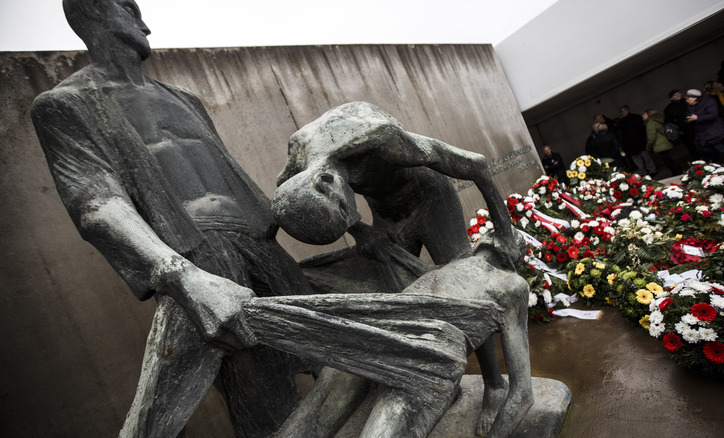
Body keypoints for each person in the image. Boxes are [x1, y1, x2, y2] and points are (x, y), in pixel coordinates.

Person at [30, 0, 317, 435]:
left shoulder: (184, 99)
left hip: (261, 243)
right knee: (260, 394)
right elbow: (95, 203)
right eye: (128, 7)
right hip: (197, 254)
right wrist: (184, 278)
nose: (143, 22)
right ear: (92, 12)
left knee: (335, 360)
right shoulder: (67, 105)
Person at [273, 101, 520, 435]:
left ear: (327, 181)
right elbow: (278, 198)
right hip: (386, 214)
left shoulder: (378, 138)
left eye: (348, 210)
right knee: (398, 299)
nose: (350, 216)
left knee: (465, 292)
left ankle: (495, 383)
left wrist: (504, 231)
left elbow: (474, 164)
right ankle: (438, 374)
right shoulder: (300, 158)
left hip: (430, 199)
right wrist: (360, 231)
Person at [685, 88, 724, 164]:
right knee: (707, 150)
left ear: (695, 98)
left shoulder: (709, 101)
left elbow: (713, 115)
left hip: (713, 130)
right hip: (701, 133)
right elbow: (688, 115)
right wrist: (688, 120)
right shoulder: (690, 105)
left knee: (719, 147)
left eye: (688, 99)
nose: (687, 101)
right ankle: (716, 164)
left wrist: (697, 118)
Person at [617, 105, 656, 176]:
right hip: (631, 145)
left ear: (627, 110)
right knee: (638, 159)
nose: (622, 113)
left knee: (646, 157)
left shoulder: (635, 118)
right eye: (621, 111)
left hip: (639, 142)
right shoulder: (622, 122)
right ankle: (644, 171)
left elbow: (642, 129)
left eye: (623, 111)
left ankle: (651, 170)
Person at [643, 109, 682, 176]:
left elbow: (651, 137)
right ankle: (678, 171)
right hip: (665, 142)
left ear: (648, 115)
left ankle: (677, 173)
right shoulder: (658, 121)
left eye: (644, 114)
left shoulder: (650, 124)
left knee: (668, 161)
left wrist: (648, 146)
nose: (643, 116)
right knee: (670, 159)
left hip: (660, 145)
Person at [664, 89, 699, 161]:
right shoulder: (669, 108)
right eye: (676, 94)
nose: (678, 95)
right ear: (671, 98)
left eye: (679, 93)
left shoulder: (687, 102)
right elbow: (669, 121)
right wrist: (678, 129)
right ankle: (697, 159)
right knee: (690, 146)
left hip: (694, 125)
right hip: (682, 130)